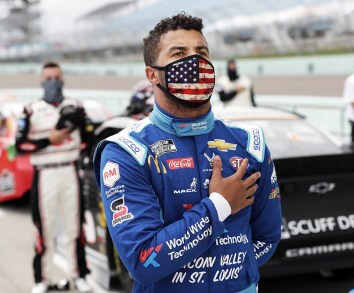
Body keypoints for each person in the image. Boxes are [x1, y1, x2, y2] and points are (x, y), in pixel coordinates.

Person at [93, 12, 282, 293]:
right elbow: (143, 262)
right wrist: (219, 205)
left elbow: (267, 236)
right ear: (152, 74)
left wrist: (228, 273)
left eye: (201, 52)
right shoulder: (126, 152)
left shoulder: (250, 141)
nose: (194, 61)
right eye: (179, 53)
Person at [15, 61, 93, 293]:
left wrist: (77, 126)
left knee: (74, 228)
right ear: (41, 81)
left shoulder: (75, 106)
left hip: (70, 170)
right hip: (44, 174)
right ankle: (42, 280)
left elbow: (89, 137)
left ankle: (79, 275)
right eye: (48, 78)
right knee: (43, 229)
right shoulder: (30, 109)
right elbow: (20, 145)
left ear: (62, 79)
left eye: (56, 77)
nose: (52, 82)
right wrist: (50, 140)